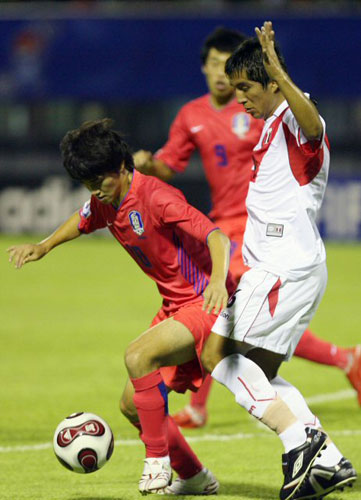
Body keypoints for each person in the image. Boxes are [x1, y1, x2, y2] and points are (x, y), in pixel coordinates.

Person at [134, 26, 361, 429]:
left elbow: (311, 129)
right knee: (243, 332)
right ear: (203, 67)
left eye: (237, 77)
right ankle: (337, 376)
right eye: (218, 68)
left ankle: (202, 404)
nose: (230, 86)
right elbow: (170, 165)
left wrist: (280, 76)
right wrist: (149, 166)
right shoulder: (195, 115)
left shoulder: (280, 112)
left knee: (224, 327)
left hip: (268, 241)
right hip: (227, 227)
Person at [7, 118, 235, 495]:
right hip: (175, 306)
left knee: (137, 356)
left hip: (205, 302)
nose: (96, 192)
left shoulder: (158, 197)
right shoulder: (106, 201)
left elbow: (216, 236)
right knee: (132, 405)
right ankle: (195, 477)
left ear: (123, 168)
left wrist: (216, 283)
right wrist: (43, 246)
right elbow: (81, 221)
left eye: (101, 182)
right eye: (88, 186)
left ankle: (156, 463)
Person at [199, 22, 356, 500]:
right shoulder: (272, 122)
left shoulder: (294, 114)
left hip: (282, 269)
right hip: (291, 266)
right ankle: (328, 459)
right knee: (259, 373)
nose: (237, 95)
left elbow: (314, 127)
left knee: (214, 355)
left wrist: (280, 75)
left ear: (271, 81)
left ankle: (298, 443)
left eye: (246, 87)